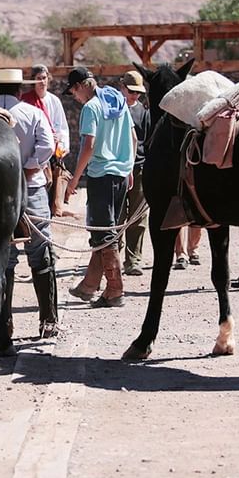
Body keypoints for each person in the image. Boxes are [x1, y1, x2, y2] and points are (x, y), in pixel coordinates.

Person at [0, 68, 58, 338]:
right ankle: (48, 320)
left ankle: (3, 327)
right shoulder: (33, 113)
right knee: (41, 250)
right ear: (20, 90)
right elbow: (47, 145)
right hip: (32, 189)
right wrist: (30, 167)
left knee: (2, 257)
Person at [64, 68, 136, 308]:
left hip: (101, 175)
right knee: (106, 231)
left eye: (74, 90)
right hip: (121, 175)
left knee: (104, 233)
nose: (75, 96)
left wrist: (74, 179)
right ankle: (89, 286)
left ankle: (115, 290)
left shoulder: (91, 108)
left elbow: (89, 145)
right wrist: (129, 168)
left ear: (83, 85)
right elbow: (133, 139)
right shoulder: (119, 102)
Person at [21, 64, 73, 217]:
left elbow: (62, 126)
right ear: (33, 81)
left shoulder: (54, 101)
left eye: (44, 78)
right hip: (34, 151)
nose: (42, 82)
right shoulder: (25, 101)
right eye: (38, 79)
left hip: (52, 151)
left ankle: (55, 210)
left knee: (55, 183)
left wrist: (60, 140)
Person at [118, 70, 150, 276]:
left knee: (138, 216)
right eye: (131, 91)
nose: (134, 96)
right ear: (122, 88)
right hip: (118, 169)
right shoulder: (114, 110)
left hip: (138, 168)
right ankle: (111, 255)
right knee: (117, 216)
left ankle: (133, 259)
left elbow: (146, 141)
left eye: (138, 92)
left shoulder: (143, 112)